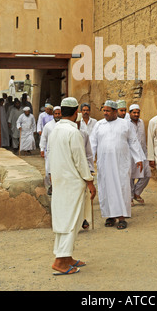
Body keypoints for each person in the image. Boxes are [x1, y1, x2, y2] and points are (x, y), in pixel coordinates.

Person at [48, 97, 96, 276]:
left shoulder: (55, 131)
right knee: (71, 221)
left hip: (60, 182)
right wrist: (89, 181)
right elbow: (80, 160)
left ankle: (66, 256)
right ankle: (60, 261)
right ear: (76, 112)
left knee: (64, 219)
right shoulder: (73, 132)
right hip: (72, 183)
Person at [90, 100, 144, 230]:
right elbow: (92, 144)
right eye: (104, 110)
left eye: (108, 111)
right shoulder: (99, 125)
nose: (105, 113)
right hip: (104, 164)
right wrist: (89, 163)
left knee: (122, 188)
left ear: (115, 111)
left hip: (121, 163)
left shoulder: (125, 124)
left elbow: (133, 141)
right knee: (106, 188)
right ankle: (110, 216)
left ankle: (121, 217)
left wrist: (138, 159)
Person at [128, 104, 151, 206]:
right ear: (130, 113)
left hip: (143, 153)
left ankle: (137, 193)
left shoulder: (142, 123)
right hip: (131, 154)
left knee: (147, 174)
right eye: (134, 112)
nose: (136, 114)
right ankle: (130, 197)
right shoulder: (126, 123)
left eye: (138, 112)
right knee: (131, 176)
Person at [40, 106, 62, 193]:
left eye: (59, 113)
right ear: (53, 114)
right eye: (55, 114)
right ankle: (51, 185)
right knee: (49, 170)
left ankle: (57, 187)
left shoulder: (64, 125)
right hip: (50, 152)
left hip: (61, 151)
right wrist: (42, 149)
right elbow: (43, 138)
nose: (57, 115)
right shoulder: (48, 126)